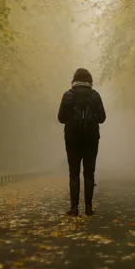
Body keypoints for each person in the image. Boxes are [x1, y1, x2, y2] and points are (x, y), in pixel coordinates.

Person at [57, 68, 106, 216]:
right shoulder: (95, 95)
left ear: (74, 79)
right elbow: (102, 119)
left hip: (72, 139)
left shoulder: (68, 95)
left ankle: (74, 208)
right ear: (89, 80)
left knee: (74, 173)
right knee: (89, 173)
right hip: (91, 139)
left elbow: (61, 118)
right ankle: (89, 208)